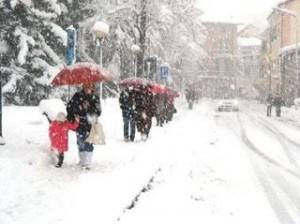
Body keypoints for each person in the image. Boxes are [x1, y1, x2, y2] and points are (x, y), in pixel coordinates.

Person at [67, 83, 101, 169]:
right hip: (79, 123)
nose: (88, 88)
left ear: (92, 87)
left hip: (90, 124)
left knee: (89, 142)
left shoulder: (95, 98)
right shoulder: (77, 96)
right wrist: (76, 111)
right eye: (86, 87)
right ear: (83, 87)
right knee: (80, 141)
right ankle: (82, 160)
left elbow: (98, 111)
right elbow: (69, 107)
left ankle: (88, 162)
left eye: (90, 87)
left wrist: (89, 108)